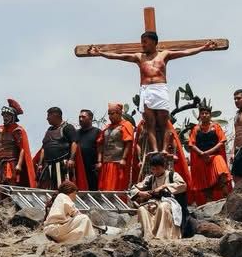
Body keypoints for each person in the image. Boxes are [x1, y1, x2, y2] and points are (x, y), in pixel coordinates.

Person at [88, 35, 217, 156]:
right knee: (150, 123)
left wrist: (203, 48)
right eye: (142, 41)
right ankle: (155, 150)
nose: (143, 44)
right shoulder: (139, 57)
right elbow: (120, 56)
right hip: (146, 90)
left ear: (154, 42)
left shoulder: (164, 55)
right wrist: (101, 53)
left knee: (163, 122)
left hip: (160, 88)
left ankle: (165, 149)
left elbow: (186, 52)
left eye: (145, 41)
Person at [128, 154, 188, 240]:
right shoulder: (150, 178)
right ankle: (148, 234)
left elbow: (183, 186)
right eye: (153, 169)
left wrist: (164, 186)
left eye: (158, 168)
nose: (155, 171)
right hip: (154, 202)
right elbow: (133, 189)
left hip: (170, 202)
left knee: (162, 207)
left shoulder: (172, 175)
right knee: (142, 209)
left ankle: (163, 235)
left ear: (164, 166)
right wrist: (140, 193)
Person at [187, 105, 233, 205]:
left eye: (206, 113)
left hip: (215, 156)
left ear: (210, 115)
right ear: (199, 115)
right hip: (201, 159)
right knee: (205, 182)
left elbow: (222, 141)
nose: (204, 115)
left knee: (222, 173)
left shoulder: (216, 126)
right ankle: (209, 203)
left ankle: (227, 198)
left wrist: (208, 153)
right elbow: (191, 144)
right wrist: (202, 154)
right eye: (202, 113)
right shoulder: (196, 129)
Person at [35, 107, 78, 190]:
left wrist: (72, 159)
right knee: (49, 188)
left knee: (64, 189)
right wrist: (40, 163)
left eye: (48, 116)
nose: (47, 118)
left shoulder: (68, 127)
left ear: (55, 115)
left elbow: (74, 142)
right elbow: (44, 147)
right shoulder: (49, 130)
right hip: (49, 165)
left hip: (62, 164)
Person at [97, 103, 135, 192]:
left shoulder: (126, 125)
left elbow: (128, 142)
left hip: (118, 163)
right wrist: (99, 161)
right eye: (109, 114)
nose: (110, 116)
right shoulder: (106, 128)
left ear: (119, 113)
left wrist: (124, 158)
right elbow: (100, 144)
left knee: (116, 187)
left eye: (112, 113)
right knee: (104, 187)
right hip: (106, 163)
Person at [74, 109, 101, 191]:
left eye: (83, 117)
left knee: (93, 191)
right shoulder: (76, 133)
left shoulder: (97, 132)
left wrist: (99, 162)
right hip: (79, 169)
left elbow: (102, 148)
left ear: (90, 119)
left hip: (92, 169)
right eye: (79, 117)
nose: (80, 119)